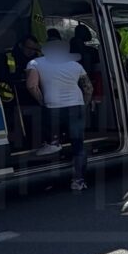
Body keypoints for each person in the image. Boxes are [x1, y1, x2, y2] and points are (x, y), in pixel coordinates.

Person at [25, 38, 93, 191]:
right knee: (78, 146)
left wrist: (42, 101)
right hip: (76, 105)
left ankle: (53, 142)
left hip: (53, 106)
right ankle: (78, 181)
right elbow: (88, 88)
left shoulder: (35, 63)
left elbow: (31, 85)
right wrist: (85, 104)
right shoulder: (76, 65)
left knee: (47, 124)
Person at [0, 34, 42, 148]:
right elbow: (0, 75)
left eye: (34, 49)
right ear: (21, 45)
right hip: (14, 95)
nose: (32, 52)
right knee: (17, 123)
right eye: (29, 48)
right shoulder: (6, 56)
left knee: (35, 120)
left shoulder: (38, 56)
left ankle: (36, 143)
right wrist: (19, 74)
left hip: (33, 94)